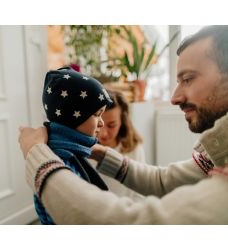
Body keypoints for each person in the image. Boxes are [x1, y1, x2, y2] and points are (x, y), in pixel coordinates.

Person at [19, 26, 228, 224]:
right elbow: (164, 181)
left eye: (189, 78)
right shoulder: (215, 157)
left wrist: (36, 154)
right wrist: (100, 153)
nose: (174, 98)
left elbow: (126, 225)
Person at [32, 67, 113, 224]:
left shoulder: (68, 151)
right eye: (97, 115)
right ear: (73, 118)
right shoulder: (63, 160)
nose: (101, 123)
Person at [98, 88, 146, 162]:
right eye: (98, 124)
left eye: (112, 126)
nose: (103, 133)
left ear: (122, 122)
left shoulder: (134, 150)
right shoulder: (82, 148)